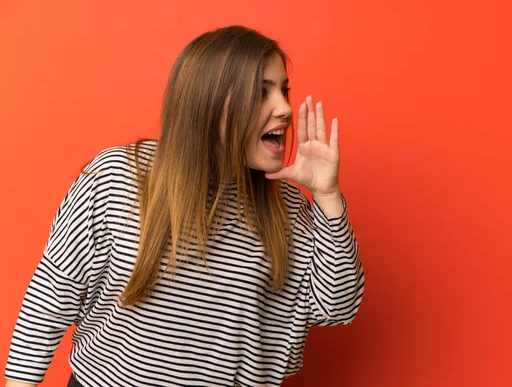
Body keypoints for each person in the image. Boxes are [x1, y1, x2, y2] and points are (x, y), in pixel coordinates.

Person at [4, 25, 364, 387]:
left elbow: (338, 307)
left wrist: (328, 196)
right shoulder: (119, 177)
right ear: (208, 101)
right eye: (261, 92)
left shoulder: (285, 203)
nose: (285, 108)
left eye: (284, 90)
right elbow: (48, 303)